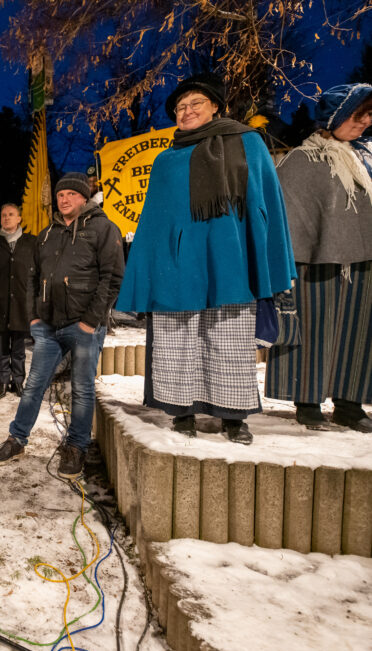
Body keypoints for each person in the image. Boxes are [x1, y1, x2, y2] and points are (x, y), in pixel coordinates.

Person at [115, 73, 296, 445]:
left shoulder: (248, 143)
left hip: (232, 261)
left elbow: (268, 204)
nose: (187, 111)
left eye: (195, 103)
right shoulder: (167, 160)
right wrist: (147, 274)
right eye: (180, 107)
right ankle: (182, 411)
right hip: (180, 267)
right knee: (178, 340)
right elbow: (153, 222)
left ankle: (233, 418)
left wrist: (269, 258)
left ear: (215, 105)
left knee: (228, 340)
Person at [0, 173, 124, 475]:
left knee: (82, 388)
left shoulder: (102, 228)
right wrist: (34, 317)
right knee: (34, 385)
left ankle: (76, 447)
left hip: (85, 326)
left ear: (83, 197)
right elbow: (33, 278)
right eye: (61, 195)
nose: (64, 199)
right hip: (49, 326)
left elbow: (112, 278)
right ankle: (17, 439)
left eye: (71, 195)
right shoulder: (47, 234)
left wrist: (91, 321)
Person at [264, 83, 372, 432]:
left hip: (364, 263)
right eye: (359, 115)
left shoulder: (365, 159)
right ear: (335, 116)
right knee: (314, 331)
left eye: (369, 115)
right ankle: (307, 401)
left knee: (358, 335)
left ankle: (349, 404)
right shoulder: (303, 159)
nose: (366, 122)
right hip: (313, 264)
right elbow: (286, 214)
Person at [0, 203, 35, 400]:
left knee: (19, 346)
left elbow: (37, 270)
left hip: (21, 303)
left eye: (11, 214)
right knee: (2, 346)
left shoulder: (30, 242)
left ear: (19, 219)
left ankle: (18, 381)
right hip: (1, 303)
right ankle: (3, 381)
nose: (6, 218)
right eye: (3, 215)